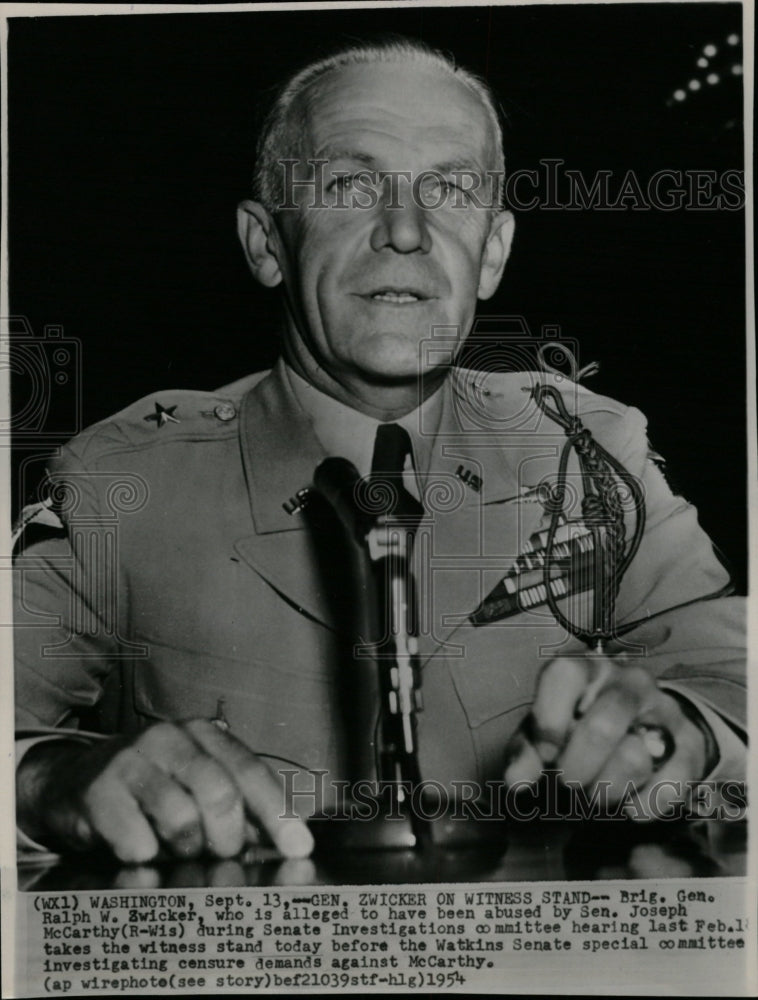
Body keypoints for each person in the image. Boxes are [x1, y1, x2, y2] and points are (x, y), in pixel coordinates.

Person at [13, 38, 745, 865]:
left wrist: (685, 732)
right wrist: (54, 785)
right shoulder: (126, 482)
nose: (405, 230)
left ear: (495, 251)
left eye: (452, 189)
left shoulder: (586, 454)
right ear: (264, 243)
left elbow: (730, 675)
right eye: (350, 184)